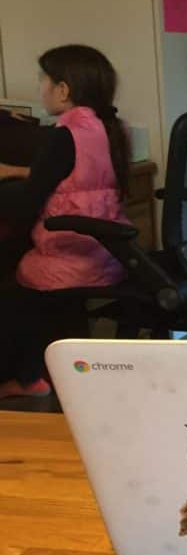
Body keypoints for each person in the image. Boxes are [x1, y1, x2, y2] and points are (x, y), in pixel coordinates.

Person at [0, 45, 131, 398]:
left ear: (63, 89)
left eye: (44, 79)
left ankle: (31, 378)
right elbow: (75, 179)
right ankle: (39, 375)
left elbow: (30, 199)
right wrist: (20, 173)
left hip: (69, 257)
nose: (40, 87)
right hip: (105, 253)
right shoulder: (108, 127)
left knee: (14, 276)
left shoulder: (63, 134)